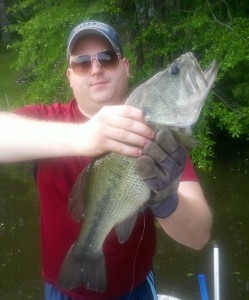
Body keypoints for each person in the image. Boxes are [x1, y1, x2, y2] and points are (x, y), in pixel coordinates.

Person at [0, 20, 212, 300]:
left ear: (125, 66)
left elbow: (199, 236)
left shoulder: (162, 139)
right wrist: (82, 136)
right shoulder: (48, 120)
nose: (96, 69)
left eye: (106, 58)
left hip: (134, 289)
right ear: (69, 76)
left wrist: (166, 199)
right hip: (61, 289)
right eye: (82, 63)